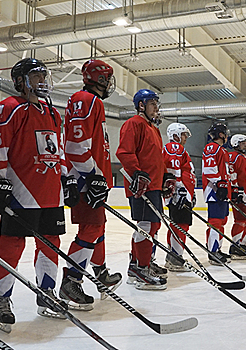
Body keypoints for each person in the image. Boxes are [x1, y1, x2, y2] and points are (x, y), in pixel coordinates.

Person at [0, 58, 70, 332]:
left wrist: (67, 178)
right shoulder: (9, 108)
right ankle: (2, 298)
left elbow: (59, 149)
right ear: (21, 82)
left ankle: (46, 293)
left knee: (51, 244)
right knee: (12, 244)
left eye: (44, 76)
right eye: (35, 77)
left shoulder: (53, 112)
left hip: (50, 194)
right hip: (21, 192)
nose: (42, 81)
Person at [59, 59, 121, 310]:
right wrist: (93, 175)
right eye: (107, 78)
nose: (109, 84)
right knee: (90, 230)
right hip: (87, 180)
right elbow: (75, 145)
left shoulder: (90, 102)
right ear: (99, 79)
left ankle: (101, 273)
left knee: (98, 228)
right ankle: (71, 281)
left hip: (92, 177)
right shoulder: (87, 100)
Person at [116, 89, 172, 290]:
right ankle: (141, 269)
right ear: (141, 105)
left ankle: (139, 264)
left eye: (157, 104)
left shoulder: (153, 128)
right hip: (141, 186)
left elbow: (157, 158)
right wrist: (137, 173)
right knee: (146, 226)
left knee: (153, 226)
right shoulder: (133, 124)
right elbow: (124, 152)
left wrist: (166, 176)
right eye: (152, 104)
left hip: (154, 185)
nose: (156, 108)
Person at [163, 122, 196, 270]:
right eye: (183, 135)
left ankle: (172, 256)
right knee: (180, 225)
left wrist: (190, 192)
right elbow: (174, 170)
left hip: (181, 193)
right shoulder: (175, 148)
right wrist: (180, 190)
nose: (185, 138)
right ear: (175, 135)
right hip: (179, 194)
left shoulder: (175, 149)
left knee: (177, 225)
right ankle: (176, 258)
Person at [201, 123, 232, 265]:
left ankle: (217, 249)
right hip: (214, 190)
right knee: (215, 222)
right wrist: (219, 183)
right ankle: (212, 252)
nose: (227, 136)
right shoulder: (211, 147)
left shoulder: (222, 150)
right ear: (221, 134)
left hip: (222, 189)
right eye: (225, 133)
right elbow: (209, 168)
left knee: (222, 221)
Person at [227, 134, 246, 259]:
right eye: (242, 143)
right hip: (241, 193)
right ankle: (235, 245)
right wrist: (236, 190)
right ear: (235, 144)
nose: (245, 145)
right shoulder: (233, 156)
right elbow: (232, 172)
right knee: (240, 220)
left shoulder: (245, 157)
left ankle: (242, 243)